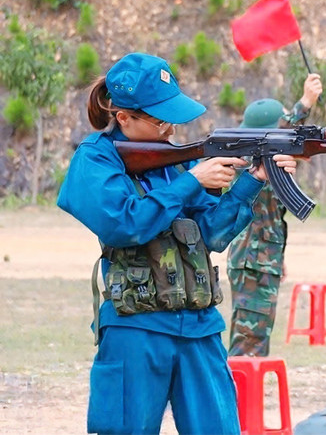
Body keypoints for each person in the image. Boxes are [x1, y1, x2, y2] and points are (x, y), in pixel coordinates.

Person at [57, 53, 298, 435]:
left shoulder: (174, 160)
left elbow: (212, 235)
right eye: (160, 119)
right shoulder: (96, 160)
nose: (171, 128)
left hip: (199, 328)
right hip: (137, 329)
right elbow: (125, 224)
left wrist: (255, 178)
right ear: (123, 117)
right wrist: (191, 181)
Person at [227, 73, 323, 357]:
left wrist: (276, 258)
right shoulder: (249, 163)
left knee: (256, 343)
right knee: (247, 347)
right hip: (252, 262)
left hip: (260, 259)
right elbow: (285, 129)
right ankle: (237, 401)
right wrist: (304, 104)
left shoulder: (261, 162)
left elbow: (271, 216)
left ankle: (244, 399)